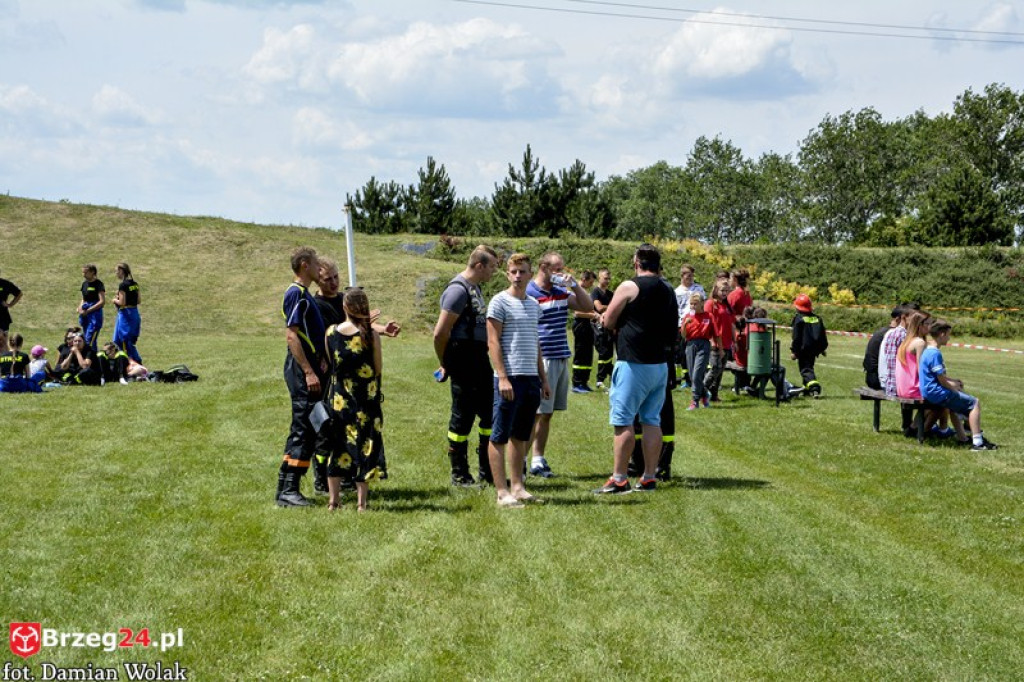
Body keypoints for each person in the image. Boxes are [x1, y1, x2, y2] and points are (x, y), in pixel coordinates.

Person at [595, 244, 678, 494]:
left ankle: (619, 478)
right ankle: (649, 477)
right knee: (652, 420)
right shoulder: (668, 289)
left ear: (636, 262)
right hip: (659, 365)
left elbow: (608, 320)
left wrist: (605, 320)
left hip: (633, 363)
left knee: (623, 421)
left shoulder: (630, 286)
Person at [313, 258, 400, 492]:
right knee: (330, 431)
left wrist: (382, 330)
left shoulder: (344, 299)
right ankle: (323, 479)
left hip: (346, 375)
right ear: (317, 280)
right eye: (326, 279)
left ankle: (349, 478)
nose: (333, 283)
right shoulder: (316, 305)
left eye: (335, 277)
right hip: (330, 375)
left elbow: (360, 326)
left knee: (354, 429)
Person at [486, 253, 550, 508]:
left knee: (521, 435)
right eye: (513, 271)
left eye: (522, 271)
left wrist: (543, 379)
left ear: (530, 273)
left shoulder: (534, 305)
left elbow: (536, 343)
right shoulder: (498, 302)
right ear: (507, 273)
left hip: (530, 379)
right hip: (508, 378)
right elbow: (493, 341)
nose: (517, 276)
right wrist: (502, 377)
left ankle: (518, 486)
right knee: (500, 434)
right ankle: (502, 492)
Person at [432, 245, 499, 487]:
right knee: (462, 418)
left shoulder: (475, 289)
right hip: (463, 359)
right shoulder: (458, 291)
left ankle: (488, 471)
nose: (494, 272)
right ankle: (459, 474)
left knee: (490, 413)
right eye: (492, 267)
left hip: (479, 358)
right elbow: (440, 333)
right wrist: (445, 362)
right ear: (479, 266)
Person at [525, 252, 593, 478]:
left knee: (547, 413)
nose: (561, 273)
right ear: (543, 267)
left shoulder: (561, 292)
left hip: (560, 356)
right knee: (536, 412)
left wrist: (574, 285)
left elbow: (586, 304)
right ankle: (521, 464)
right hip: (542, 358)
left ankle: (538, 459)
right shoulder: (529, 292)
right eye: (557, 269)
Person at [324, 288, 384, 512]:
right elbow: (377, 368)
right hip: (365, 398)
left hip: (339, 397)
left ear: (344, 307)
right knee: (365, 446)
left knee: (338, 445)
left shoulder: (331, 333)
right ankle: (361, 503)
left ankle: (334, 500)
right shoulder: (370, 334)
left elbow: (332, 363)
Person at [276, 247, 327, 508]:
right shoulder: (297, 294)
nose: (320, 268)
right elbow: (291, 335)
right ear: (305, 265)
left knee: (305, 426)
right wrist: (308, 371)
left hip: (309, 365)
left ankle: (286, 488)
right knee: (303, 428)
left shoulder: (304, 295)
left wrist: (319, 357)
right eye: (316, 263)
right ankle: (288, 491)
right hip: (300, 370)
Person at [920, 319, 998, 451]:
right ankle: (978, 443)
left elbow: (939, 376)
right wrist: (954, 389)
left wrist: (954, 381)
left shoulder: (928, 350)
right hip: (937, 393)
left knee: (955, 406)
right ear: (942, 334)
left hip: (929, 391)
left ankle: (963, 438)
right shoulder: (935, 354)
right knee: (974, 403)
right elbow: (941, 380)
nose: (949, 338)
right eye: (949, 335)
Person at [878, 303, 921, 436]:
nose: (916, 321)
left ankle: (912, 425)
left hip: (889, 381)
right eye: (914, 318)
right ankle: (915, 427)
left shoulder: (892, 332)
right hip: (895, 384)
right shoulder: (904, 336)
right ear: (904, 317)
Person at [790, 293, 827, 397]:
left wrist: (794, 351)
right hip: (814, 350)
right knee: (809, 366)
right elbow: (822, 335)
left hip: (803, 350)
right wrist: (822, 348)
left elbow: (796, 337)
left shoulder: (799, 319)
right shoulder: (817, 319)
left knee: (806, 370)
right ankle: (806, 389)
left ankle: (814, 387)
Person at [673, 264, 705, 387]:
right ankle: (685, 379)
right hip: (681, 325)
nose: (690, 278)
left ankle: (697, 377)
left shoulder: (698, 289)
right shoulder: (677, 291)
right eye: (688, 276)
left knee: (696, 352)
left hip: (697, 324)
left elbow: (704, 305)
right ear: (682, 276)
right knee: (682, 353)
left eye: (692, 276)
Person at [703, 281, 734, 403]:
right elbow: (707, 323)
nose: (725, 293)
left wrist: (734, 341)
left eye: (727, 291)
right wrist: (711, 340)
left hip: (726, 342)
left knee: (720, 370)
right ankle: (701, 391)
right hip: (715, 342)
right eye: (722, 290)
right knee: (715, 367)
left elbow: (731, 324)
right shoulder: (710, 304)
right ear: (715, 290)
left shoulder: (726, 306)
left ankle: (714, 395)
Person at [682, 292, 714, 410]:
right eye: (691, 304)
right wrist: (685, 325)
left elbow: (715, 333)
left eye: (695, 304)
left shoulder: (708, 316)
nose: (692, 307)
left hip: (704, 345)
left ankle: (695, 401)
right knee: (692, 375)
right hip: (691, 345)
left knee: (697, 374)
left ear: (702, 304)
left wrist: (718, 347)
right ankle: (704, 394)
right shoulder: (688, 316)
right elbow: (683, 335)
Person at [570, 269, 598, 393]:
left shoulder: (585, 292)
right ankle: (576, 383)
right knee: (581, 353)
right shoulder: (577, 293)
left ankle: (584, 381)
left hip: (587, 325)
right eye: (590, 282)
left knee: (588, 353)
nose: (591, 285)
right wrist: (593, 316)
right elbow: (577, 312)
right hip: (580, 324)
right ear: (584, 280)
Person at [863, 306, 904, 390]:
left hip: (872, 377)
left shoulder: (883, 331)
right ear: (898, 319)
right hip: (878, 380)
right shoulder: (893, 334)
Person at [111, 263, 142, 364]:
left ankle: (134, 362)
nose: (116, 273)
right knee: (117, 339)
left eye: (117, 271)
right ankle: (123, 361)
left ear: (121, 271)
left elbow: (122, 303)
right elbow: (138, 300)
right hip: (134, 312)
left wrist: (115, 300)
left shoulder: (123, 285)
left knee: (125, 340)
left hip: (126, 314)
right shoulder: (135, 284)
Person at [591, 269, 615, 389]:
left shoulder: (611, 294)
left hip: (609, 327)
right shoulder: (595, 292)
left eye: (609, 278)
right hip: (598, 327)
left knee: (610, 353)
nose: (607, 281)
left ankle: (610, 375)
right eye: (605, 278)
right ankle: (600, 380)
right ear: (599, 278)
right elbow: (599, 308)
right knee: (603, 352)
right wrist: (612, 306)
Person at [78, 264, 105, 352]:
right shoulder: (84, 284)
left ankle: (91, 360)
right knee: (85, 339)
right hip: (85, 314)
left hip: (95, 315)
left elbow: (102, 301)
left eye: (86, 272)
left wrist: (89, 310)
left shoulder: (98, 284)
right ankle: (90, 358)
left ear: (92, 272)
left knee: (90, 339)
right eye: (83, 272)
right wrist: (80, 307)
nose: (83, 275)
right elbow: (84, 299)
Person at [0, 269, 22, 353]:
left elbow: (19, 293)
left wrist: (10, 304)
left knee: (3, 341)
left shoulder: (5, 284)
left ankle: (5, 363)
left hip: (2, 317)